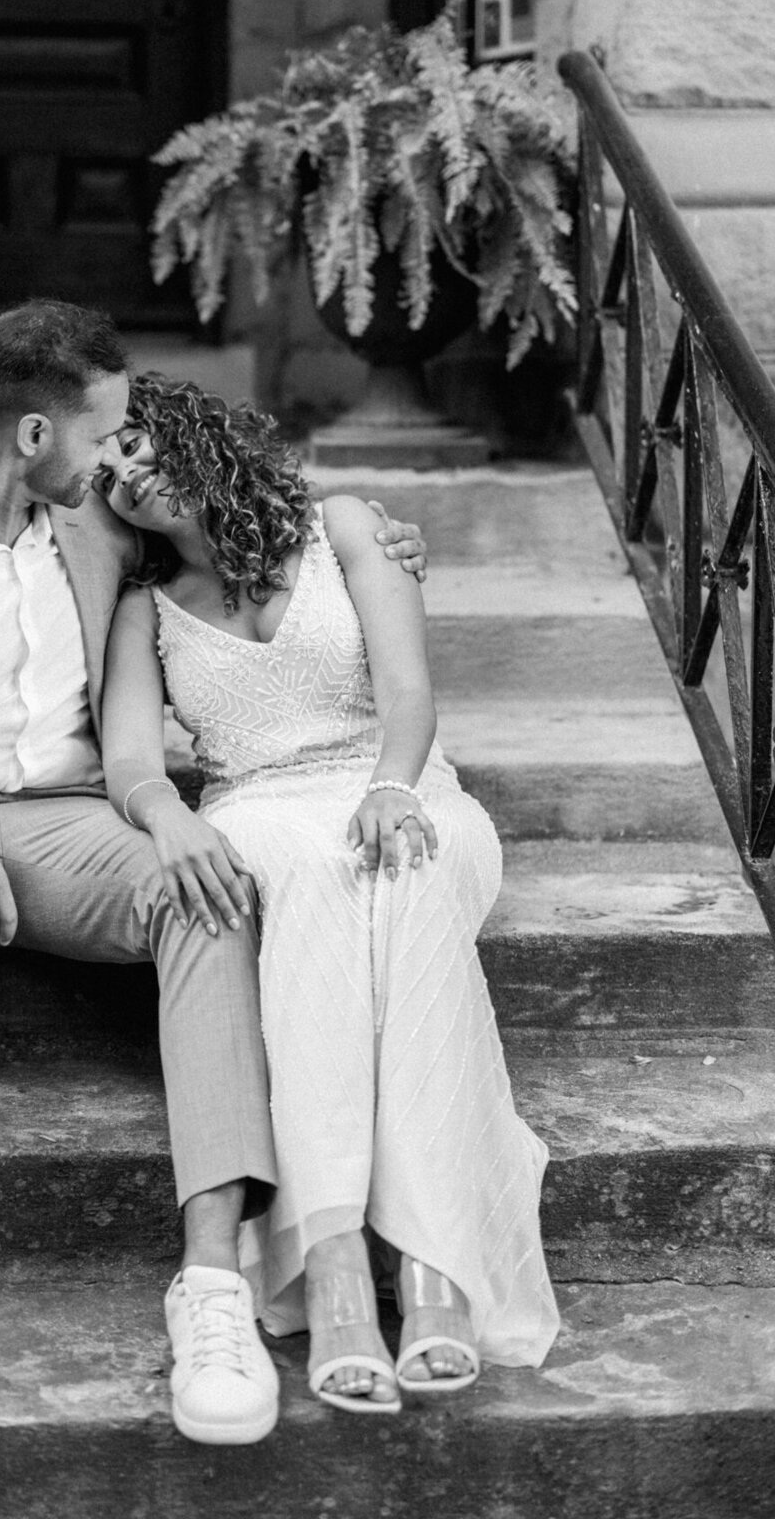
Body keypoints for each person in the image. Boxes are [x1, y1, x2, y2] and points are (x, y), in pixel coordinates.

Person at [0, 300, 428, 1448]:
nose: (123, 459)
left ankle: (210, 1285)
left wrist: (380, 535)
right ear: (32, 435)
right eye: (105, 434)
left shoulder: (106, 529)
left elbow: (259, 523)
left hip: (74, 827)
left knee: (206, 884)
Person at [99, 373, 560, 1415]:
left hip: (401, 782)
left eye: (137, 445)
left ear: (193, 432)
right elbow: (131, 755)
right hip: (257, 807)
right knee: (309, 873)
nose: (129, 477)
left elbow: (409, 694)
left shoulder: (346, 528)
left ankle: (427, 1263)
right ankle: (343, 1260)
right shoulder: (145, 607)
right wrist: (166, 816)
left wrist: (393, 790)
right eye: (110, 475)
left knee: (412, 864)